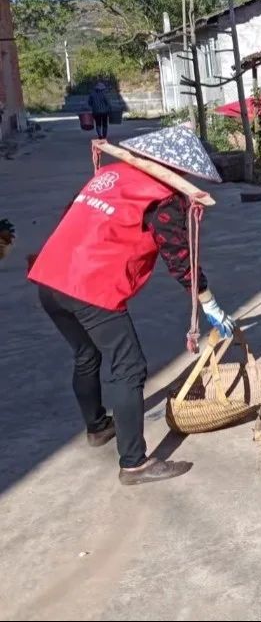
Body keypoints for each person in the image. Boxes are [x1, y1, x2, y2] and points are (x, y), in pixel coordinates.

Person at [28, 124, 236, 486]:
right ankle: (134, 463)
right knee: (129, 368)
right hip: (89, 285)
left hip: (50, 278)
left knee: (87, 354)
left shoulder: (110, 174)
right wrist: (208, 301)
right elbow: (180, 257)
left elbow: (70, 217)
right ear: (175, 168)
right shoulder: (162, 198)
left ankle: (97, 428)